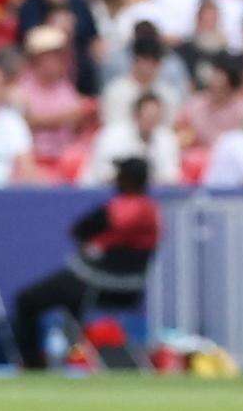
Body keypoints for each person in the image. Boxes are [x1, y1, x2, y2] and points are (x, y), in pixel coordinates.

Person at [11, 157, 161, 368]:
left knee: (25, 300)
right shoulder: (151, 209)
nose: (115, 179)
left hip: (97, 281)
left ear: (129, 179)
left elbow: (84, 227)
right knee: (62, 303)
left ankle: (33, 365)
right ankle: (70, 351)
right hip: (101, 279)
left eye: (120, 175)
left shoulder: (130, 207)